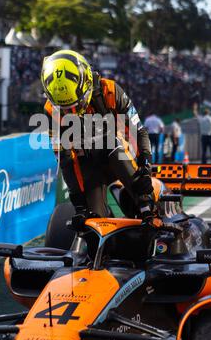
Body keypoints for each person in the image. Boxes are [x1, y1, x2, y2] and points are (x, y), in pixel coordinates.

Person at [41, 50, 154, 225]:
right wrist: (78, 201)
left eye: (75, 104)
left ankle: (146, 204)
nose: (70, 112)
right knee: (94, 222)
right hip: (89, 163)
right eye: (63, 107)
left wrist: (145, 169)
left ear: (86, 84)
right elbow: (65, 160)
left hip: (122, 156)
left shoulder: (110, 90)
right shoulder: (51, 111)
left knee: (113, 145)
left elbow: (139, 131)